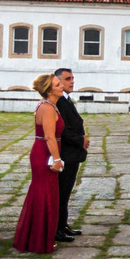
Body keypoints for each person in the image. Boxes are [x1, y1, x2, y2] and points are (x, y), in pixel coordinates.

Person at [13, 74, 64, 253]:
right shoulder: (48, 108)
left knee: (44, 194)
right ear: (49, 90)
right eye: (58, 84)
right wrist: (57, 159)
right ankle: (39, 239)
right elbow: (49, 136)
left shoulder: (49, 106)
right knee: (44, 195)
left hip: (44, 150)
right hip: (44, 153)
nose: (62, 86)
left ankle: (39, 236)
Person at [54, 67, 89, 242]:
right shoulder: (58, 101)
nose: (72, 81)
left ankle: (63, 224)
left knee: (66, 191)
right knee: (61, 192)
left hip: (73, 153)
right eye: (68, 79)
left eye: (72, 78)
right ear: (58, 82)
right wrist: (80, 140)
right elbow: (63, 129)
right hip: (66, 152)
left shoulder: (66, 100)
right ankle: (57, 229)